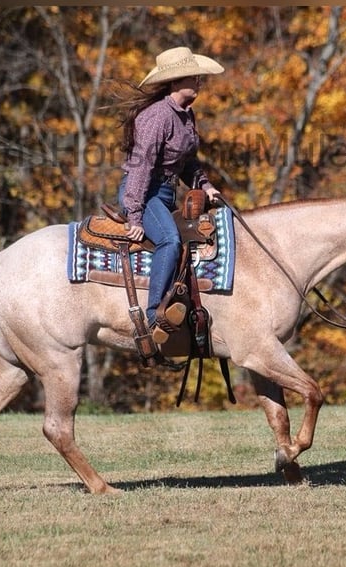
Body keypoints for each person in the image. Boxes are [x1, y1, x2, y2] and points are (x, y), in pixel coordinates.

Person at [117, 46, 224, 344]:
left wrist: (204, 185)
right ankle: (154, 317)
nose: (199, 81)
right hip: (142, 190)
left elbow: (188, 163)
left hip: (165, 193)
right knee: (169, 239)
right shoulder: (157, 117)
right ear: (176, 82)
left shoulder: (187, 117)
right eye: (193, 76)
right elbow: (141, 167)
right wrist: (135, 216)